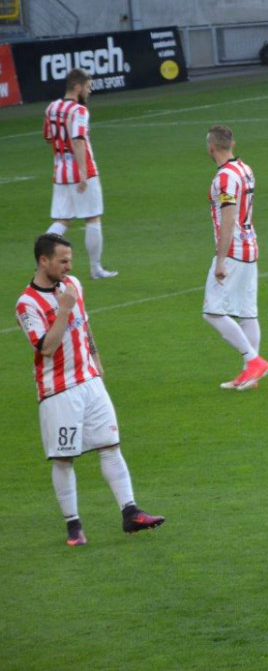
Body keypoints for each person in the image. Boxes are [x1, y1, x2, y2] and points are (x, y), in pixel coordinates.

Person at [15, 233, 164, 546]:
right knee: (64, 458)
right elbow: (46, 347)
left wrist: (96, 360)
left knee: (110, 445)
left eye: (71, 260)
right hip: (58, 391)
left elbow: (84, 324)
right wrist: (64, 308)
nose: (69, 266)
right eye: (63, 260)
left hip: (89, 381)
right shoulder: (27, 304)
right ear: (44, 261)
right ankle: (74, 527)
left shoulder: (74, 285)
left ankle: (131, 512)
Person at [203, 125, 268, 391]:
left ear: (211, 147)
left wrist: (220, 260)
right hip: (251, 245)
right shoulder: (245, 169)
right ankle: (250, 374)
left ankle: (253, 360)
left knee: (212, 312)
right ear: (232, 143)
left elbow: (229, 216)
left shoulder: (224, 177)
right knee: (247, 312)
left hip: (233, 250)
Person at [42, 68, 117, 280]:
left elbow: (48, 137)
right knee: (92, 217)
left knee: (63, 219)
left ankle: (41, 254)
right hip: (82, 171)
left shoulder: (52, 108)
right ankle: (96, 269)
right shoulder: (79, 111)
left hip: (60, 172)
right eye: (87, 87)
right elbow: (77, 140)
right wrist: (83, 173)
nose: (89, 91)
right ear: (77, 87)